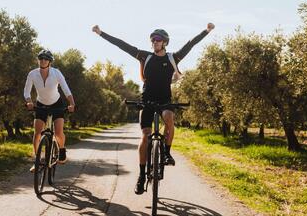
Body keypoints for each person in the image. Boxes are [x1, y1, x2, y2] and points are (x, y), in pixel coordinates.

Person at [92, 23, 214, 194]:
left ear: (164, 42)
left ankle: (166, 152)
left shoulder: (173, 58)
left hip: (164, 100)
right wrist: (101, 33)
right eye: (152, 40)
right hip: (147, 101)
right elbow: (122, 45)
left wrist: (207, 31)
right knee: (145, 135)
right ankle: (142, 176)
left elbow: (190, 44)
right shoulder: (145, 56)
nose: (154, 42)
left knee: (169, 117)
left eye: (157, 39)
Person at [23, 50, 75, 167]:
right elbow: (26, 91)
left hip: (57, 104)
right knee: (37, 133)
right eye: (41, 58)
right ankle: (37, 161)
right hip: (41, 104)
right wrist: (29, 101)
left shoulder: (56, 73)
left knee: (58, 133)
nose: (43, 60)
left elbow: (65, 89)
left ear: (49, 61)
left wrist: (72, 103)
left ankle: (62, 149)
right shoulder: (32, 74)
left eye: (46, 59)